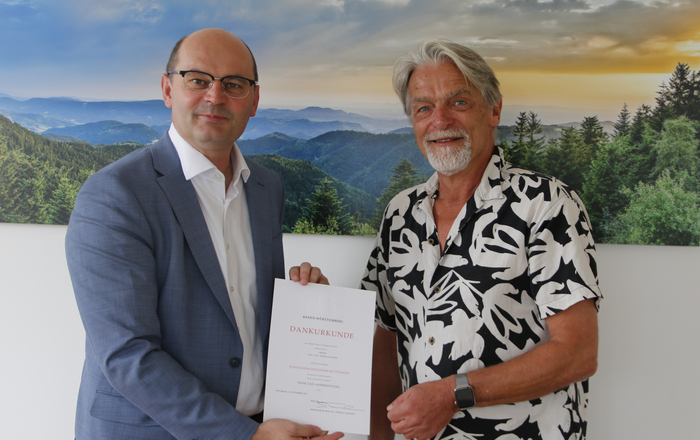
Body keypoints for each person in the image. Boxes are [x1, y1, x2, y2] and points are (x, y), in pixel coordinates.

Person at [66, 28, 341, 440]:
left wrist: (303, 302)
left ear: (254, 101)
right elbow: (128, 355)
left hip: (259, 423)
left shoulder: (267, 188)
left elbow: (241, 312)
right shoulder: (115, 194)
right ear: (167, 89)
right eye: (197, 80)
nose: (215, 96)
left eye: (234, 84)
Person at [362, 40, 602, 440]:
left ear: (494, 110)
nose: (439, 121)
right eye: (423, 108)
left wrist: (451, 395)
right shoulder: (398, 215)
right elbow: (385, 341)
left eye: (458, 102)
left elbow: (577, 353)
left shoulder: (545, 204)